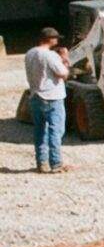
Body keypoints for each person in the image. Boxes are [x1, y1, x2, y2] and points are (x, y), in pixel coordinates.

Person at [22, 27, 68, 175]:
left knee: (40, 131)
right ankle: (56, 163)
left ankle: (41, 163)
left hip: (35, 95)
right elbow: (63, 73)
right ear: (51, 39)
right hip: (52, 96)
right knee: (56, 130)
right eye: (56, 38)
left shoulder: (30, 53)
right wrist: (64, 59)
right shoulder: (50, 55)